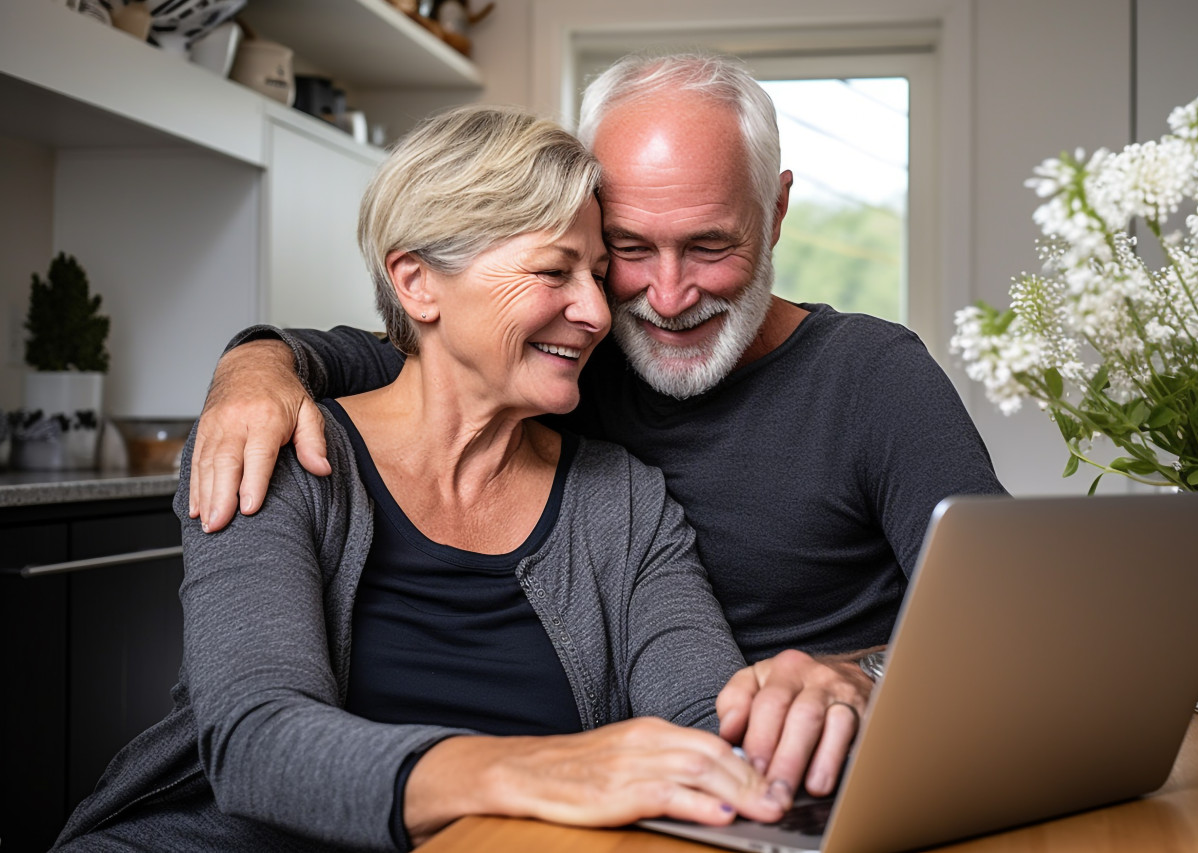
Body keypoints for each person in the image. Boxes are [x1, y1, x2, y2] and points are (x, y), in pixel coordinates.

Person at [188, 53, 1006, 797]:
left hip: (815, 774)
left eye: (710, 244)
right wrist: (254, 364)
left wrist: (866, 677)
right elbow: (400, 354)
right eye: (622, 251)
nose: (664, 295)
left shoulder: (839, 392)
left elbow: (1016, 632)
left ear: (778, 211)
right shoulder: (303, 441)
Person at [54, 106, 851, 853]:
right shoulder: (279, 450)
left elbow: (701, 717)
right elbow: (256, 741)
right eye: (554, 270)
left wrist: (789, 724)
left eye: (599, 274)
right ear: (417, 283)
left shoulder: (624, 499)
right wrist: (527, 768)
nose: (598, 311)